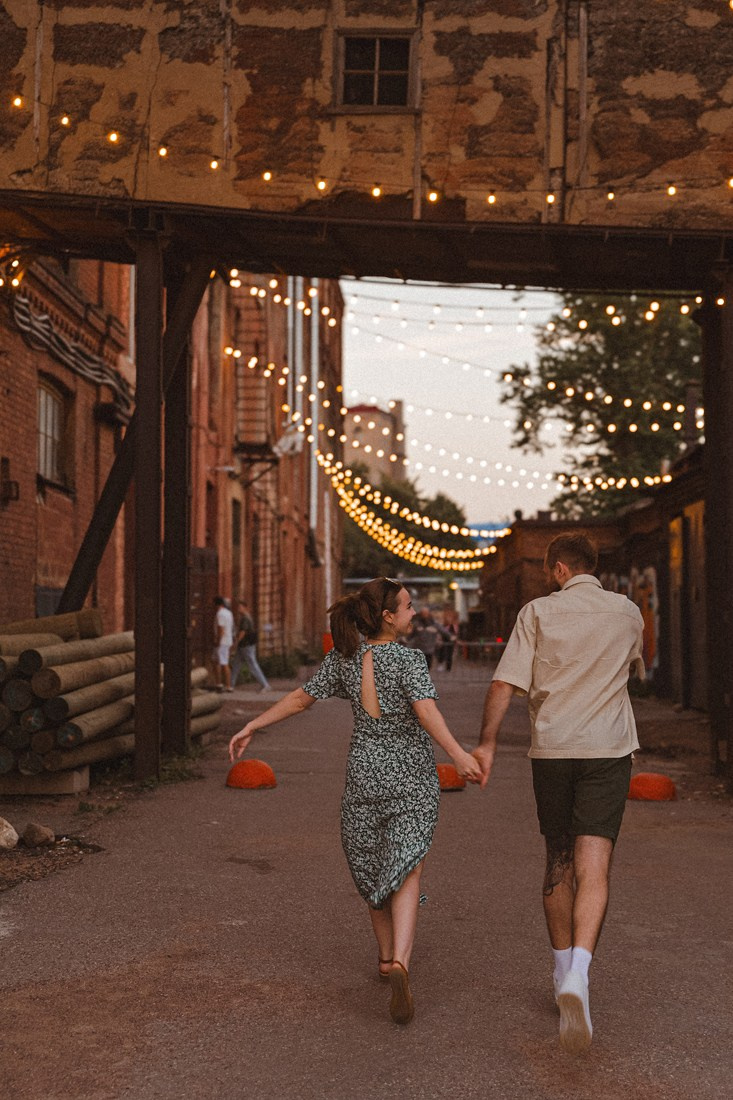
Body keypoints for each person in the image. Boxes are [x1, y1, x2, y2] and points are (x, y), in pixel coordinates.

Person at [228, 577, 483, 1025]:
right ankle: (401, 961)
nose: (412, 612)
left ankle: (385, 959)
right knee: (406, 865)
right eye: (406, 606)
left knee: (371, 863)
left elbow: (300, 699)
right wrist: (460, 755)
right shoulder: (408, 660)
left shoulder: (345, 659)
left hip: (364, 775)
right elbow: (426, 712)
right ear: (387, 615)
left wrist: (253, 725)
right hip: (410, 776)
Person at [472, 534, 644, 1055]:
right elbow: (632, 669)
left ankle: (561, 968)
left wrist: (486, 744)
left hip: (553, 750)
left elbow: (505, 684)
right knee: (596, 863)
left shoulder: (537, 613)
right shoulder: (628, 612)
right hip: (608, 750)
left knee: (558, 861)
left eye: (550, 570)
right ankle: (581, 976)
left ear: (560, 568)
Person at [230, 598, 270, 693]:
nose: (238, 609)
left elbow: (243, 632)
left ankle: (265, 684)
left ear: (245, 608)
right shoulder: (246, 617)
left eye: (240, 607)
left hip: (246, 645)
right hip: (244, 645)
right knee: (236, 665)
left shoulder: (245, 618)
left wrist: (236, 642)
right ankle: (230, 685)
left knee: (252, 665)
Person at [212, 596, 235, 692]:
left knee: (221, 662)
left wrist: (218, 641)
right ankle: (227, 685)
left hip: (222, 641)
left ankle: (221, 684)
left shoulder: (220, 614)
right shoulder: (229, 613)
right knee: (222, 661)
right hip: (228, 640)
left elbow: (220, 628)